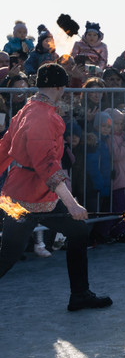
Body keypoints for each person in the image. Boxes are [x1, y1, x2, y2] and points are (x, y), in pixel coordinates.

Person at [0, 63, 112, 311]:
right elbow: (47, 165)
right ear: (60, 86)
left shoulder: (29, 109)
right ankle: (80, 294)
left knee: (79, 231)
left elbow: (4, 148)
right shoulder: (41, 116)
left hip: (30, 192)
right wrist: (72, 204)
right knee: (7, 254)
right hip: (25, 195)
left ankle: (80, 294)